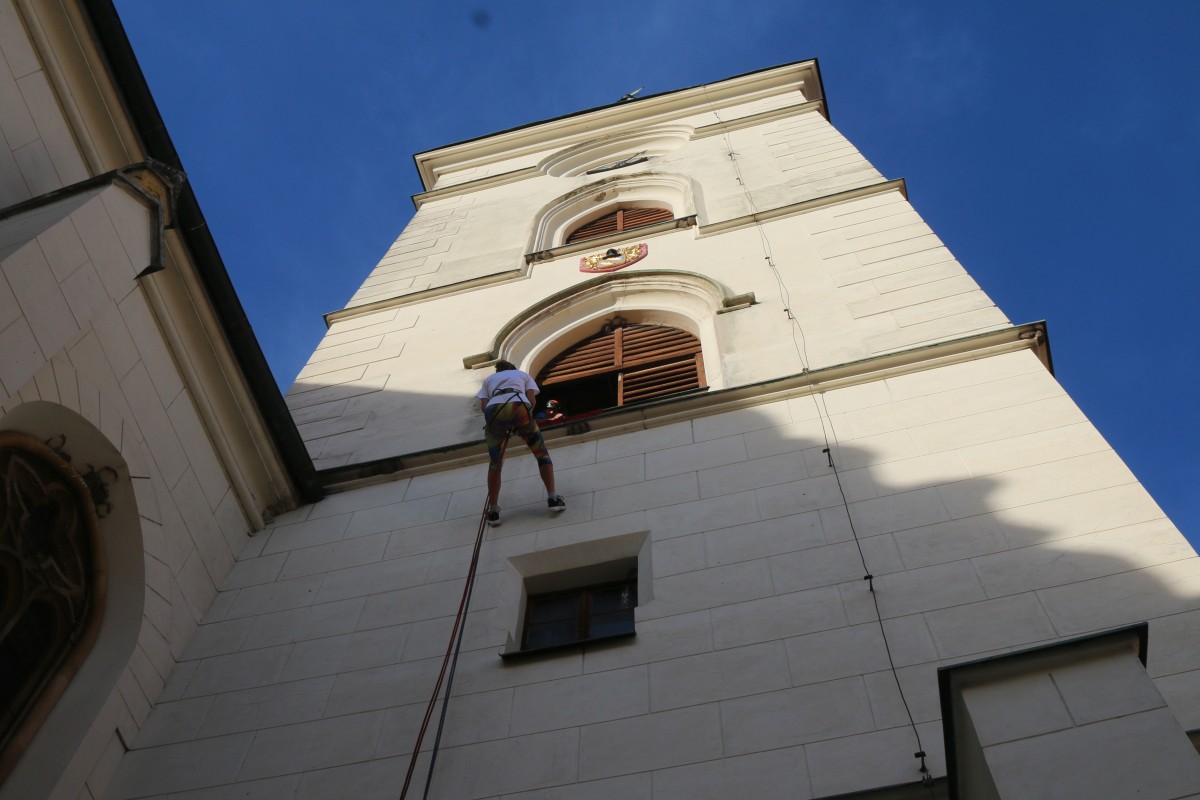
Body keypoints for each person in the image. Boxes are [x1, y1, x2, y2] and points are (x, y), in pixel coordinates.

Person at [475, 360, 566, 526]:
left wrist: (501, 422)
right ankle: (553, 498)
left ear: (498, 371)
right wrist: (522, 421)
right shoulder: (522, 375)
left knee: (495, 462)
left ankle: (494, 510)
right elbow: (531, 399)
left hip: (494, 410)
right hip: (518, 404)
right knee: (541, 454)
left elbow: (483, 406)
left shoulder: (488, 380)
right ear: (512, 368)